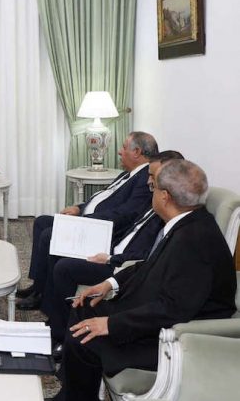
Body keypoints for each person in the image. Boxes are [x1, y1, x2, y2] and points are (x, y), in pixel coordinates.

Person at [56, 159, 237, 401]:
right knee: (83, 307)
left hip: (175, 336)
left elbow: (173, 309)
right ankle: (69, 392)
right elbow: (150, 264)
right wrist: (109, 283)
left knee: (85, 340)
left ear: (164, 196)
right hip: (154, 309)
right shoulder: (187, 222)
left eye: (153, 187)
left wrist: (111, 324)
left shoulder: (194, 241)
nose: (150, 192)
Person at [43, 150, 183, 358]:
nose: (148, 182)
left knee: (65, 267)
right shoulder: (153, 199)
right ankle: (53, 317)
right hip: (112, 248)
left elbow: (146, 255)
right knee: (58, 243)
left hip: (120, 264)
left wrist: (110, 258)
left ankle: (61, 335)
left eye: (152, 177)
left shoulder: (169, 216)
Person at [17, 132, 158, 310]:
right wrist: (79, 208)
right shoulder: (127, 174)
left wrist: (85, 221)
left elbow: (126, 215)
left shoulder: (144, 179)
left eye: (123, 147)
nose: (119, 152)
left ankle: (42, 296)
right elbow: (103, 198)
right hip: (89, 220)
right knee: (41, 222)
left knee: (50, 235)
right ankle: (39, 285)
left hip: (101, 229)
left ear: (137, 152)